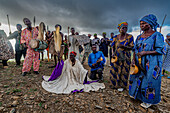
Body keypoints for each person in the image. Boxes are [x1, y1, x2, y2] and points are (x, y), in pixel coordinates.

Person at [129, 14, 165, 108]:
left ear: (150, 24)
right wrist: (133, 60)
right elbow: (135, 50)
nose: (141, 25)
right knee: (137, 77)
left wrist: (145, 52)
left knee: (150, 80)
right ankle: (138, 96)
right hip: (138, 61)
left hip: (152, 62)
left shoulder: (157, 35)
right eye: (140, 23)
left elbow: (160, 50)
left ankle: (148, 101)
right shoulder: (139, 37)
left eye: (144, 23)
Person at [110, 22, 134, 91]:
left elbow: (132, 47)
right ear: (119, 29)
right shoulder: (115, 37)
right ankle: (114, 84)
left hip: (126, 56)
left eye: (126, 28)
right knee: (115, 69)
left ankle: (122, 86)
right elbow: (112, 46)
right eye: (123, 28)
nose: (125, 29)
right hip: (117, 56)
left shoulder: (130, 37)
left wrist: (124, 46)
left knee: (124, 71)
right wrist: (112, 53)